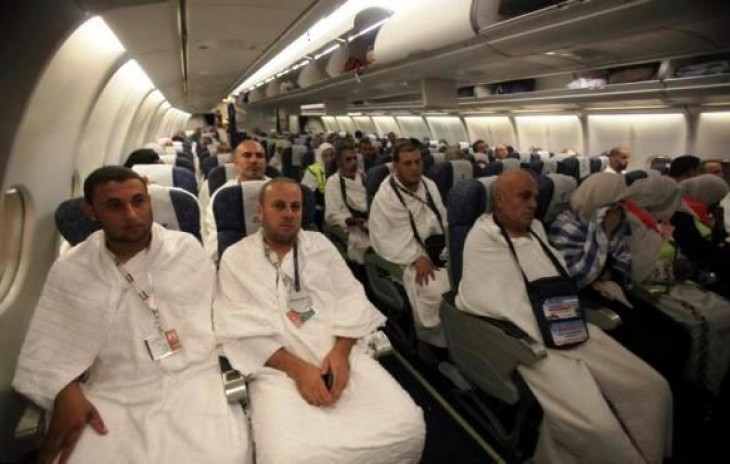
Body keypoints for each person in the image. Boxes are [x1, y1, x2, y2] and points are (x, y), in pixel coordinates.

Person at [13, 166, 250, 464]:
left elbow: (222, 313)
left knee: (222, 455)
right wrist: (65, 390)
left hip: (193, 377)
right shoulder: (73, 267)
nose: (132, 215)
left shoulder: (185, 249)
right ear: (91, 211)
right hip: (113, 387)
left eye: (139, 201)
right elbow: (49, 345)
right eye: (115, 206)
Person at [457, 170, 672, 464]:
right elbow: (483, 297)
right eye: (525, 196)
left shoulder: (536, 230)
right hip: (528, 343)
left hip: (567, 324)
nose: (534, 204)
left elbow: (558, 278)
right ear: (500, 198)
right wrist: (534, 325)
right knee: (600, 428)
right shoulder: (483, 237)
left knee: (652, 388)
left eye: (536, 197)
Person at [213, 178, 425, 464]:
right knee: (290, 456)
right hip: (275, 368)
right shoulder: (236, 257)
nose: (289, 214)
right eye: (279, 206)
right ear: (260, 212)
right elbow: (236, 328)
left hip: (339, 355)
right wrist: (298, 370)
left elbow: (351, 299)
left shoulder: (321, 245)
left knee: (408, 428)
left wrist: (341, 353)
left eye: (295, 207)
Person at [548, 173, 691, 388]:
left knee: (677, 335)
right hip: (585, 299)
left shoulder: (618, 220)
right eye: (616, 203)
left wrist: (607, 263)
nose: (622, 208)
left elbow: (623, 261)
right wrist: (602, 232)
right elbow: (578, 277)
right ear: (599, 200)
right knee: (656, 347)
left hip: (613, 288)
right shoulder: (566, 226)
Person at [369, 142, 450, 349]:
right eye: (407, 163)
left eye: (417, 162)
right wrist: (415, 257)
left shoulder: (429, 185)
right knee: (436, 290)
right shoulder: (386, 196)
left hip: (438, 249)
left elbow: (443, 219)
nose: (414, 168)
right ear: (396, 165)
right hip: (406, 256)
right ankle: (431, 341)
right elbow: (386, 238)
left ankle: (458, 339)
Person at [203, 139, 269, 262]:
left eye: (259, 156)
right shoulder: (222, 197)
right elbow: (215, 238)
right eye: (247, 155)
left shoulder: (282, 191)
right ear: (236, 162)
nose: (254, 160)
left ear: (266, 162)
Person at [325, 143, 370, 264]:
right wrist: (353, 221)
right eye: (348, 159)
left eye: (355, 158)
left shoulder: (364, 177)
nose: (353, 162)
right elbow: (332, 214)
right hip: (352, 227)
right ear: (339, 163)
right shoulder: (333, 182)